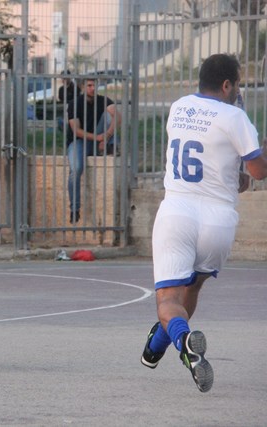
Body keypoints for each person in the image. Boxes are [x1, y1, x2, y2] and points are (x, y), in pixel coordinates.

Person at [140, 54, 267, 392]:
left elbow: (202, 158)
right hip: (218, 221)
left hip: (177, 212)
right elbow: (257, 171)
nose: (238, 90)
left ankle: (183, 343)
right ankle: (157, 345)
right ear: (227, 84)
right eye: (237, 83)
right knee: (191, 287)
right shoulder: (235, 117)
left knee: (168, 300)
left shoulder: (179, 107)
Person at [66, 76, 120, 223]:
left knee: (111, 111)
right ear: (83, 87)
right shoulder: (74, 104)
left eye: (95, 85)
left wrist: (106, 136)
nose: (93, 88)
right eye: (89, 85)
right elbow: (76, 130)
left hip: (100, 138)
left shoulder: (103, 100)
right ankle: (75, 209)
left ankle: (110, 145)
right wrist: (98, 138)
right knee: (76, 169)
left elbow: (118, 117)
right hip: (79, 142)